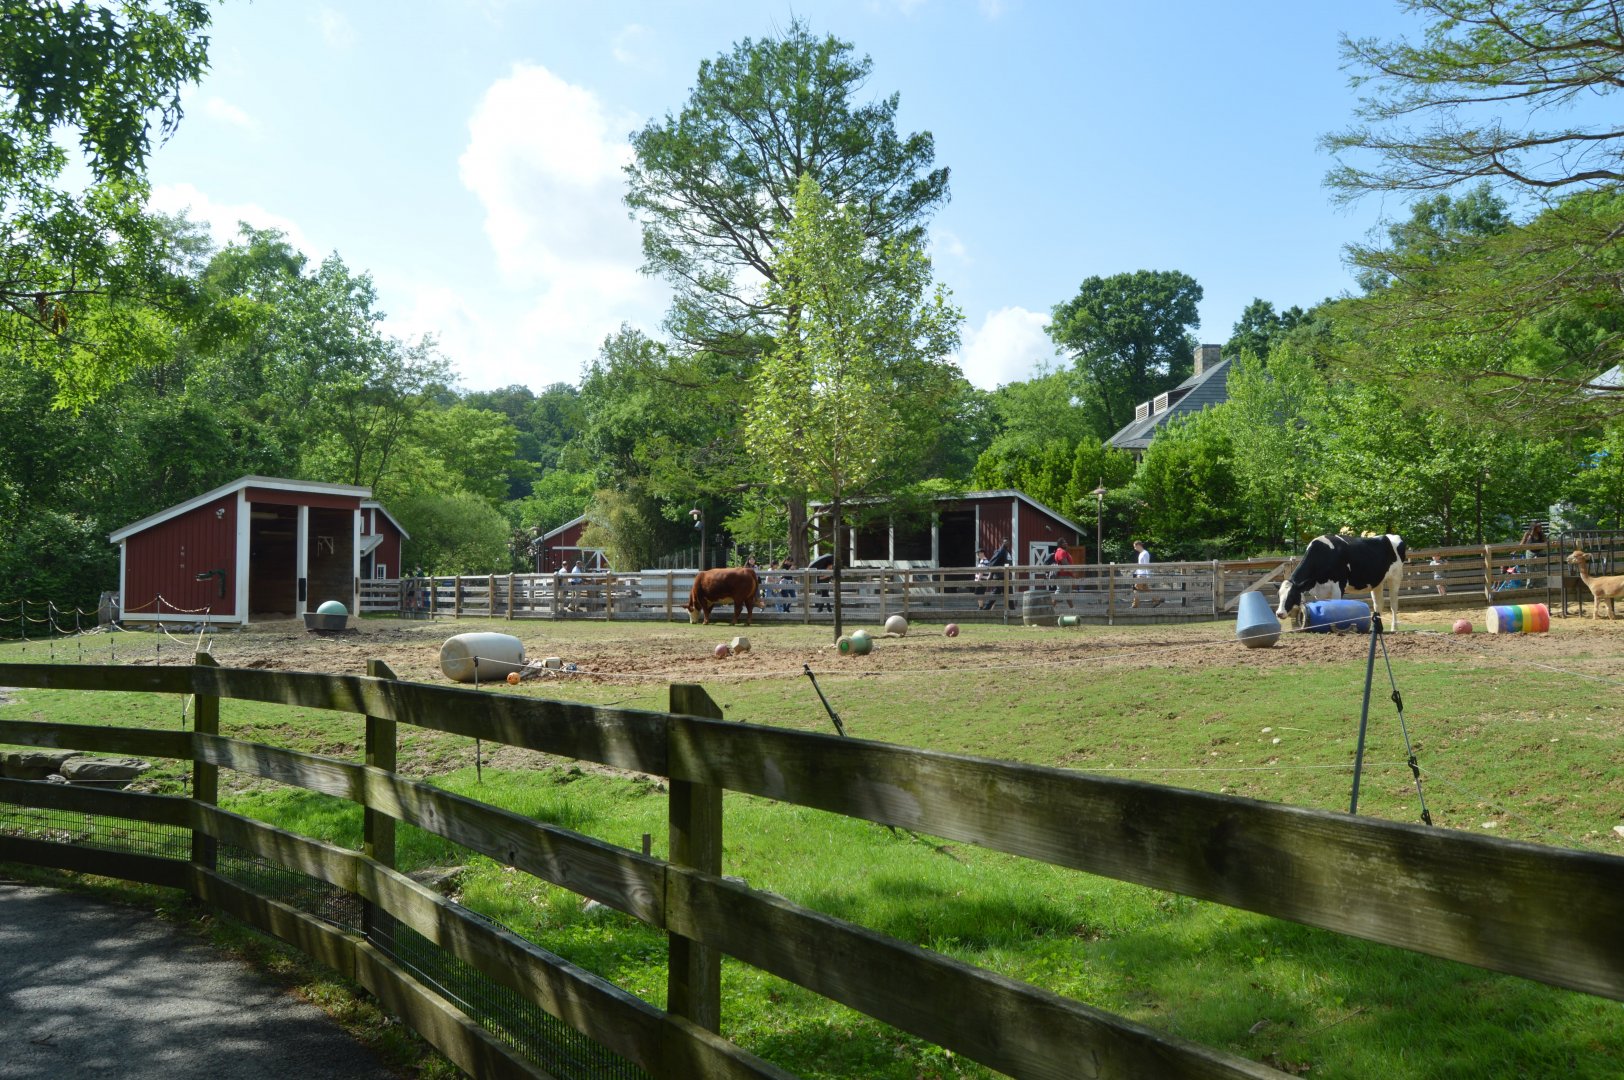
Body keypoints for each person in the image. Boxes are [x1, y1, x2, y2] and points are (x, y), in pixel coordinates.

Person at [1131, 539, 1161, 608]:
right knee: (1146, 589)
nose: (1134, 548)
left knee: (1135, 589)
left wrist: (1147, 576)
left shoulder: (1145, 553)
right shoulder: (1141, 553)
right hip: (1140, 575)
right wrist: (1136, 573)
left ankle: (1135, 605)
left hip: (1142, 575)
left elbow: (1147, 565)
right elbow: (1140, 565)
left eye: (1135, 546)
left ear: (1138, 545)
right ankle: (1157, 601)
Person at [1052, 540, 1074, 608]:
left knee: (1068, 594)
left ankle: (1072, 609)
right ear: (1060, 544)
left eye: (1066, 542)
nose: (1066, 543)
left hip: (1066, 575)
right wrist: (1073, 573)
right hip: (1064, 575)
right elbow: (1065, 564)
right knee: (1059, 593)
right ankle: (1050, 609)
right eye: (1064, 542)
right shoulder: (1061, 552)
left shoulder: (1062, 551)